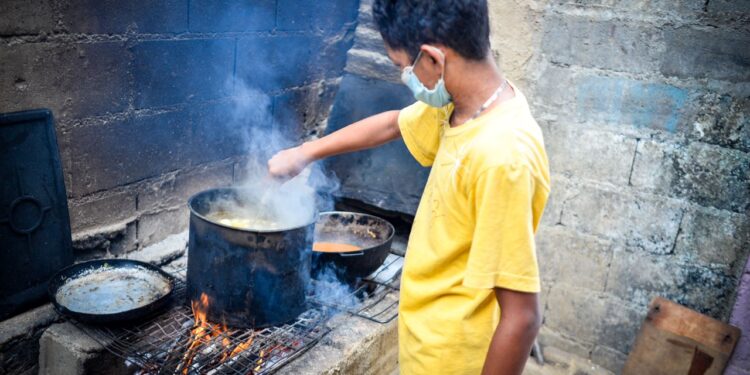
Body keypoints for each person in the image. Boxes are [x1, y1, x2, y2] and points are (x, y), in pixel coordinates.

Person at [268, 0, 549, 373]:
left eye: (404, 68)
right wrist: (304, 153)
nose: (407, 79)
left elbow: (523, 316)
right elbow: (392, 124)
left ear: (433, 58)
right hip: (425, 344)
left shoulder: (502, 157)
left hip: (454, 360)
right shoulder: (460, 105)